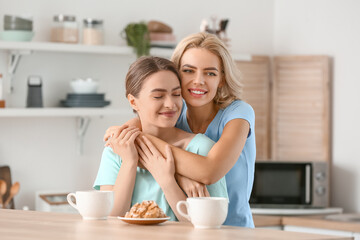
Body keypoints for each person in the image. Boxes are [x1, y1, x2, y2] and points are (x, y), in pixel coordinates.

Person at [104, 32, 255, 227]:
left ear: (222, 80)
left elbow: (209, 172)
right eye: (189, 71)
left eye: (210, 73)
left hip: (234, 228)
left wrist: (176, 174)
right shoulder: (174, 112)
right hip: (191, 227)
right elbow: (140, 126)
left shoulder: (238, 113)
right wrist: (180, 177)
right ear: (176, 75)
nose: (199, 81)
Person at [93, 56, 227, 221]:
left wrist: (167, 181)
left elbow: (211, 224)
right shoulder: (116, 150)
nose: (171, 104)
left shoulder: (201, 149)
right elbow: (111, 218)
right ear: (133, 102)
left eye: (176, 94)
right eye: (158, 96)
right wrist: (129, 162)